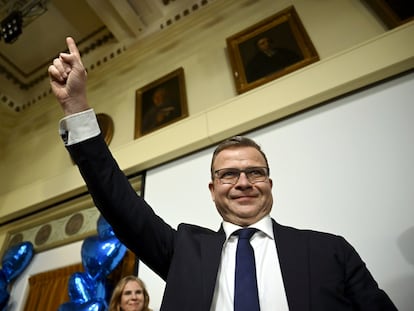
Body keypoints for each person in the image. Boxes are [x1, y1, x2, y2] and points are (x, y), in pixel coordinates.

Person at [49, 37, 398, 310]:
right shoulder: (184, 251)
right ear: (213, 189)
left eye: (255, 173)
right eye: (229, 175)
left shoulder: (330, 250)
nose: (243, 182)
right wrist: (76, 107)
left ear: (270, 185)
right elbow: (117, 201)